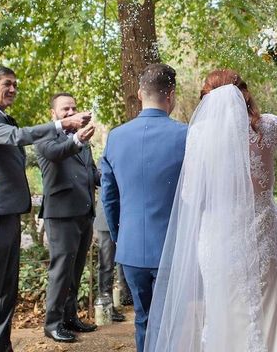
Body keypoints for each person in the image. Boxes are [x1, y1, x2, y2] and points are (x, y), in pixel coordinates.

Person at [145, 69, 277, 352]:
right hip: (264, 235)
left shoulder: (199, 134)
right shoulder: (266, 126)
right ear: (244, 93)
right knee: (268, 310)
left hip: (218, 237)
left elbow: (189, 194)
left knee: (223, 310)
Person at [0, 65, 91, 352]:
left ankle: (1, 347)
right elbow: (18, 137)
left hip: (8, 213)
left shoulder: (2, 118)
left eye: (15, 85)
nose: (13, 89)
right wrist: (64, 126)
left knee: (6, 292)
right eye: (7, 84)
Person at [101, 63, 188, 352]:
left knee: (143, 319)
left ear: (140, 94)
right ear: (171, 95)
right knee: (174, 321)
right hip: (174, 248)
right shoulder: (187, 135)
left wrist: (118, 235)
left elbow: (109, 198)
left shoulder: (115, 137)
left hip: (132, 247)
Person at [35, 93, 101, 343]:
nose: (71, 111)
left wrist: (113, 175)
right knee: (61, 271)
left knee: (76, 270)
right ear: (53, 113)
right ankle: (52, 323)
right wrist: (76, 138)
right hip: (61, 214)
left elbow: (92, 173)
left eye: (73, 107)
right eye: (65, 109)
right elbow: (56, 153)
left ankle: (70, 318)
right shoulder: (45, 136)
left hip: (85, 212)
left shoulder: (84, 141)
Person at [93, 192, 128, 319]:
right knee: (106, 263)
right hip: (107, 216)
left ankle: (126, 295)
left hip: (128, 215)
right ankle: (106, 304)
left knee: (126, 259)